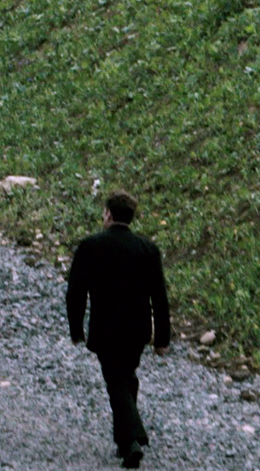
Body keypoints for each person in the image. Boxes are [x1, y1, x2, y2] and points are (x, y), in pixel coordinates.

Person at [65, 191, 171, 468]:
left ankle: (133, 437)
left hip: (105, 327)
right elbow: (159, 296)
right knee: (126, 377)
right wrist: (162, 337)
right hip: (137, 330)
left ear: (109, 214)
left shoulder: (90, 246)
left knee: (115, 381)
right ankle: (124, 442)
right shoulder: (147, 249)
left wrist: (76, 328)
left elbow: (76, 291)